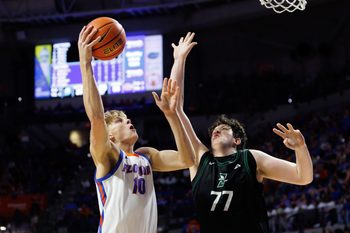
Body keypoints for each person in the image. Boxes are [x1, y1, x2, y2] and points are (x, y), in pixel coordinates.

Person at [170, 32, 314, 233]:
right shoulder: (200, 161)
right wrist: (179, 59)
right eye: (214, 130)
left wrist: (301, 147)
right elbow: (175, 107)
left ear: (237, 140)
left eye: (223, 129)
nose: (216, 130)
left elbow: (303, 177)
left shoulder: (250, 158)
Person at [78, 25, 195, 233]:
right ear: (110, 134)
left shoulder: (146, 156)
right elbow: (96, 117)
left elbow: (187, 160)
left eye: (127, 118)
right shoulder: (108, 156)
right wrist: (86, 64)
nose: (128, 120)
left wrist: (172, 116)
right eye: (120, 120)